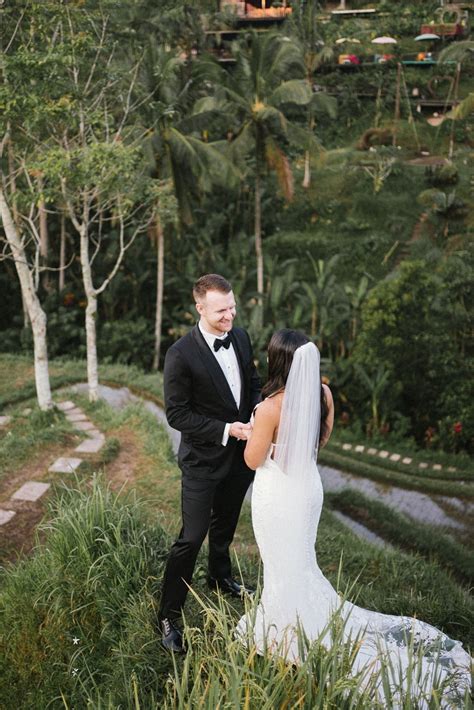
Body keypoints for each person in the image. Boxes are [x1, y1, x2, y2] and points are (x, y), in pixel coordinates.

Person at [236, 329, 471, 705]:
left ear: (277, 361)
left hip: (278, 494)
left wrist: (252, 435)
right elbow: (320, 441)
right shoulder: (323, 394)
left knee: (281, 561)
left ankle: (285, 629)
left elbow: (252, 460)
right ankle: (287, 619)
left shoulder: (269, 408)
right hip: (307, 491)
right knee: (300, 558)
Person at [159, 274, 261, 652]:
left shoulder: (243, 337)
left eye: (232, 306)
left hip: (239, 459)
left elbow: (252, 381)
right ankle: (169, 615)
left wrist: (254, 414)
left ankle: (220, 578)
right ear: (200, 307)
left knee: (225, 526)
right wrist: (225, 429)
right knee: (191, 537)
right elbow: (177, 415)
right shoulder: (180, 354)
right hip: (202, 461)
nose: (230, 315)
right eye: (221, 310)